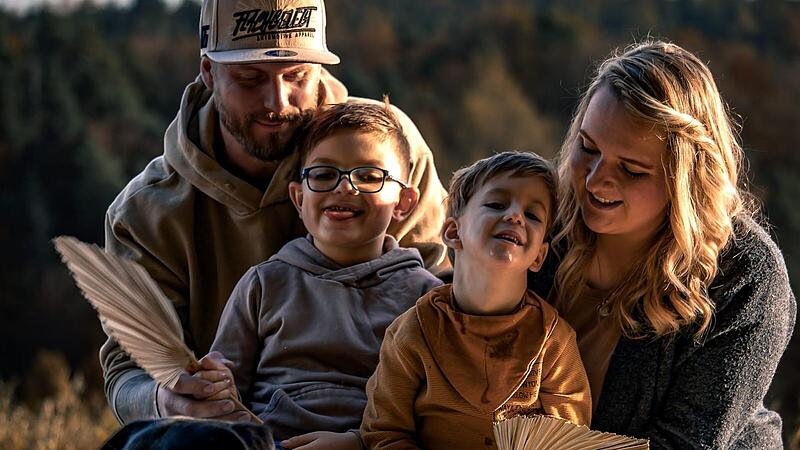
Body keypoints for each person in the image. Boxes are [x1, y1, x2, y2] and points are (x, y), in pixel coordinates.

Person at [101, 0, 448, 425]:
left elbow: (448, 311)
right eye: (250, 77)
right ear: (208, 72)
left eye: (297, 75)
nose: (278, 101)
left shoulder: (388, 156)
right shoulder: (144, 213)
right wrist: (168, 400)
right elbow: (127, 370)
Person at [529, 41, 796, 449]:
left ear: (685, 179)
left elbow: (683, 443)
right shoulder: (544, 216)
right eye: (588, 148)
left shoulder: (746, 277)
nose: (595, 180)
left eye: (631, 170)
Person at [204, 101, 442, 449]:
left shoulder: (425, 299)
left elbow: (436, 410)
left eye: (369, 176)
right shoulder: (264, 284)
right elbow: (224, 392)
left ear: (403, 203)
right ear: (299, 199)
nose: (345, 187)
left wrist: (360, 443)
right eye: (324, 175)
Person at [361, 151, 592, 449]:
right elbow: (384, 433)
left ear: (539, 256)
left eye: (532, 215)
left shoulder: (553, 341)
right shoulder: (413, 332)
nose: (515, 216)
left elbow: (568, 440)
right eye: (496, 204)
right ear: (453, 232)